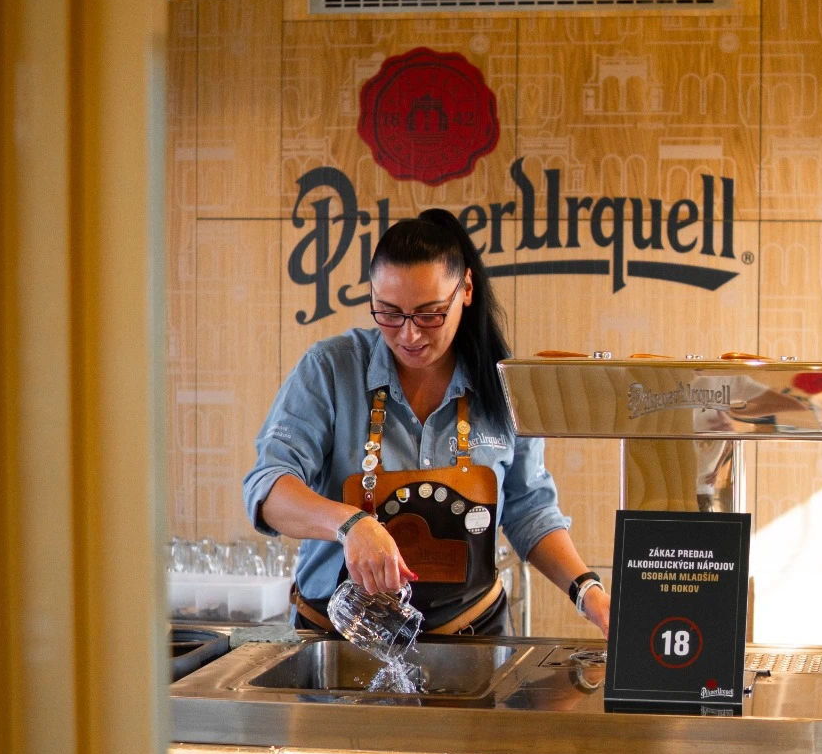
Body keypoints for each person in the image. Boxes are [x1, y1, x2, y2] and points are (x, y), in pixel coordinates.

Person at [244, 208, 609, 639]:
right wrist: (349, 524)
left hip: (470, 637)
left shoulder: (504, 384)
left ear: (466, 289)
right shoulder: (331, 369)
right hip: (340, 639)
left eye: (430, 314)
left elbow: (529, 509)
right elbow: (268, 488)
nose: (409, 335)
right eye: (389, 313)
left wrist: (589, 592)